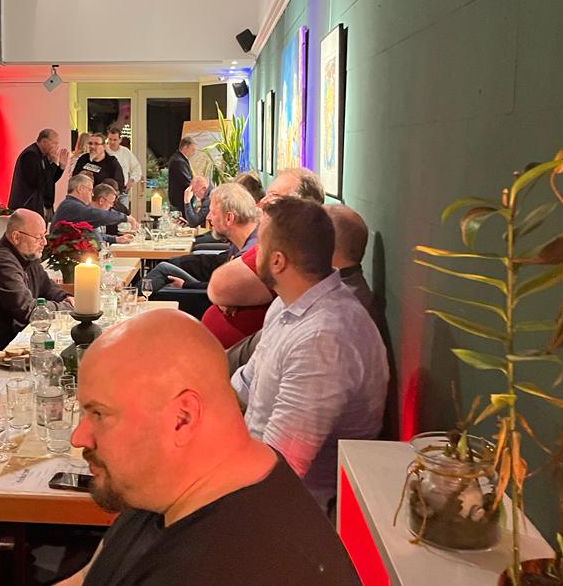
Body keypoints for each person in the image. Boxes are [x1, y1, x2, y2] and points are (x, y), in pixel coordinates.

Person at [4, 310, 372, 586]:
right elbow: (86, 585)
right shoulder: (178, 483)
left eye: (99, 413)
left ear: (182, 417)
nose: (79, 436)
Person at [231, 197, 387, 513]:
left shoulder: (324, 339)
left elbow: (279, 473)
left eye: (259, 244)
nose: (254, 252)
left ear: (277, 261)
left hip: (293, 511)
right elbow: (243, 387)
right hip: (248, 467)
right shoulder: (287, 304)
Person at [203, 167, 324, 349]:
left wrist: (225, 296)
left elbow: (219, 287)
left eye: (273, 196)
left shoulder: (288, 252)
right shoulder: (273, 244)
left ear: (301, 208)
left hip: (239, 355)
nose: (261, 203)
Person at [0, 209, 74, 351]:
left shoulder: (26, 255)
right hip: (3, 346)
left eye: (44, 236)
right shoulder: (1, 262)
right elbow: (28, 310)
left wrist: (65, 297)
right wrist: (67, 308)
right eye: (39, 237)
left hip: (21, 335)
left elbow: (46, 286)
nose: (44, 242)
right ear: (16, 237)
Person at [143, 182, 257, 293]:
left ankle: (135, 296)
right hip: (210, 285)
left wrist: (186, 285)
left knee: (164, 269)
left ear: (229, 218)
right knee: (170, 265)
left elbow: (224, 290)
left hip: (205, 296)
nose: (208, 218)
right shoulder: (248, 240)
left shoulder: (247, 257)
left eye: (213, 213)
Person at [51, 176, 136, 244]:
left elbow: (95, 234)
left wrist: (116, 239)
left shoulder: (72, 205)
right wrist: (125, 218)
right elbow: (101, 216)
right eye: (90, 190)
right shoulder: (72, 206)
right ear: (80, 188)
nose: (92, 194)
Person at [8, 129, 69, 219]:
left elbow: (50, 181)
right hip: (28, 207)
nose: (56, 147)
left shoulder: (44, 156)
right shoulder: (30, 155)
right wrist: (53, 163)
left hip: (42, 205)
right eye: (54, 143)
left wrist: (60, 167)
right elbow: (39, 182)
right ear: (44, 141)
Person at [105, 125, 142, 210]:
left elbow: (137, 168)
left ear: (120, 140)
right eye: (110, 139)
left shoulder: (126, 152)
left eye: (115, 140)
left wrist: (132, 180)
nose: (112, 142)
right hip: (105, 192)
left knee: (123, 215)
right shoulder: (104, 151)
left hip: (122, 192)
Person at [166, 136, 196, 211]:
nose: (194, 153)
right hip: (181, 200)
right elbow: (187, 181)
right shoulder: (179, 161)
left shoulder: (179, 158)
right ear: (185, 147)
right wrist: (198, 189)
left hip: (181, 199)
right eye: (192, 150)